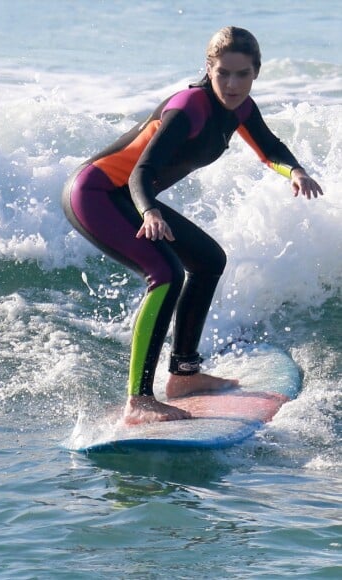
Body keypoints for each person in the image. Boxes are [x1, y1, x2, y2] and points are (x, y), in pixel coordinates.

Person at [62, 26, 323, 425]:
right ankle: (140, 400)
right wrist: (150, 212)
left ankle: (184, 374)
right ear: (209, 68)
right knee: (165, 273)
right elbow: (141, 172)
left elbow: (269, 148)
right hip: (96, 193)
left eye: (243, 75)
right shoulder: (189, 108)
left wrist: (295, 171)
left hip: (128, 197)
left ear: (256, 73)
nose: (233, 84)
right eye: (224, 74)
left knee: (208, 259)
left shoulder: (241, 109)